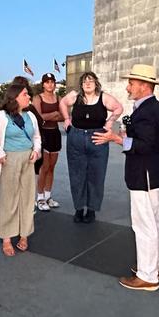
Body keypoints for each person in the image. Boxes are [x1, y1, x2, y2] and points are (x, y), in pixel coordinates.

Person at [93, 64, 159, 291]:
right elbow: (155, 141)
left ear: (144, 86)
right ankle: (157, 266)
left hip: (143, 173)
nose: (128, 87)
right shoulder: (155, 109)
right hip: (152, 173)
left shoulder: (147, 111)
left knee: (144, 224)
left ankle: (147, 276)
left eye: (131, 83)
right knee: (155, 221)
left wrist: (116, 139)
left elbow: (145, 145)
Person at [0, 83, 42, 256]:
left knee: (28, 197)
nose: (29, 97)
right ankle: (7, 237)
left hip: (28, 159)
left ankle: (24, 234)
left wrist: (36, 150)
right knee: (9, 198)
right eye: (25, 95)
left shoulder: (30, 115)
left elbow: (36, 136)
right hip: (9, 159)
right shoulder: (1, 116)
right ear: (14, 97)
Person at [59, 71, 124, 223]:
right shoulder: (75, 96)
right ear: (81, 84)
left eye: (91, 81)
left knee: (96, 175)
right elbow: (62, 103)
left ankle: (92, 209)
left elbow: (119, 108)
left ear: (96, 83)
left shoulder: (104, 97)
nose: (88, 83)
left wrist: (109, 122)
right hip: (76, 138)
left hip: (98, 139)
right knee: (77, 175)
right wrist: (67, 119)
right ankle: (79, 208)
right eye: (85, 81)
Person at [33, 73, 64, 211]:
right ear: (43, 84)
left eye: (52, 82)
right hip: (43, 134)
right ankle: (39, 198)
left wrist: (51, 117)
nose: (50, 84)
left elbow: (64, 116)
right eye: (47, 82)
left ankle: (47, 196)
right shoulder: (38, 98)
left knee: (52, 166)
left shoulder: (58, 98)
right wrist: (53, 115)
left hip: (55, 134)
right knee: (44, 167)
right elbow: (38, 118)